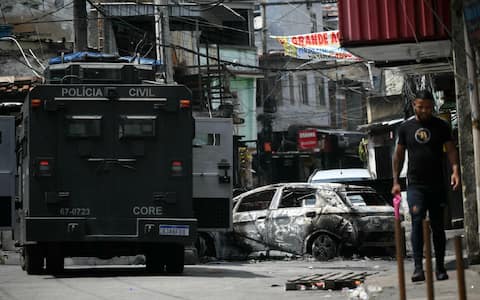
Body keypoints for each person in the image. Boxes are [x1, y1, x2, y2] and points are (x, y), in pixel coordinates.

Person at [391, 90, 460, 282]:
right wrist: (396, 181)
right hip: (415, 185)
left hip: (437, 184)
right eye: (421, 107)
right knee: (417, 220)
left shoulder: (441, 126)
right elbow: (398, 155)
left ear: (433, 107)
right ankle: (418, 268)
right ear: (414, 105)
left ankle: (439, 268)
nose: (424, 111)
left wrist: (455, 170)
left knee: (438, 226)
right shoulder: (405, 128)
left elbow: (451, 151)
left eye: (428, 107)